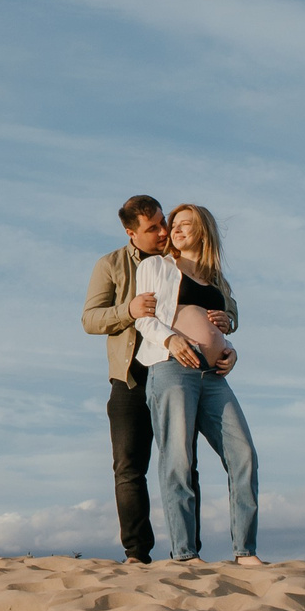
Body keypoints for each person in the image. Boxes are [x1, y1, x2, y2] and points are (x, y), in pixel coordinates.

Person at [133, 203, 261, 566]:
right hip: (172, 368)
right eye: (174, 225)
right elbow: (145, 320)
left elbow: (218, 329)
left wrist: (230, 350)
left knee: (244, 455)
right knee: (178, 459)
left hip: (213, 376)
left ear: (203, 232)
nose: (177, 230)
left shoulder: (217, 280)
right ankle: (185, 554)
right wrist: (172, 340)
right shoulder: (155, 266)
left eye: (186, 225)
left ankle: (245, 551)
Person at [81, 196, 176, 562]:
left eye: (162, 222)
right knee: (128, 468)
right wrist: (129, 311)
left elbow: (222, 297)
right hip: (129, 380)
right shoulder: (111, 264)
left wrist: (225, 318)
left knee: (182, 464)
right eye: (152, 227)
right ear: (131, 232)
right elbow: (90, 319)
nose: (163, 231)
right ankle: (137, 554)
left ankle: (188, 552)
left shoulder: (180, 258)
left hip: (175, 374)